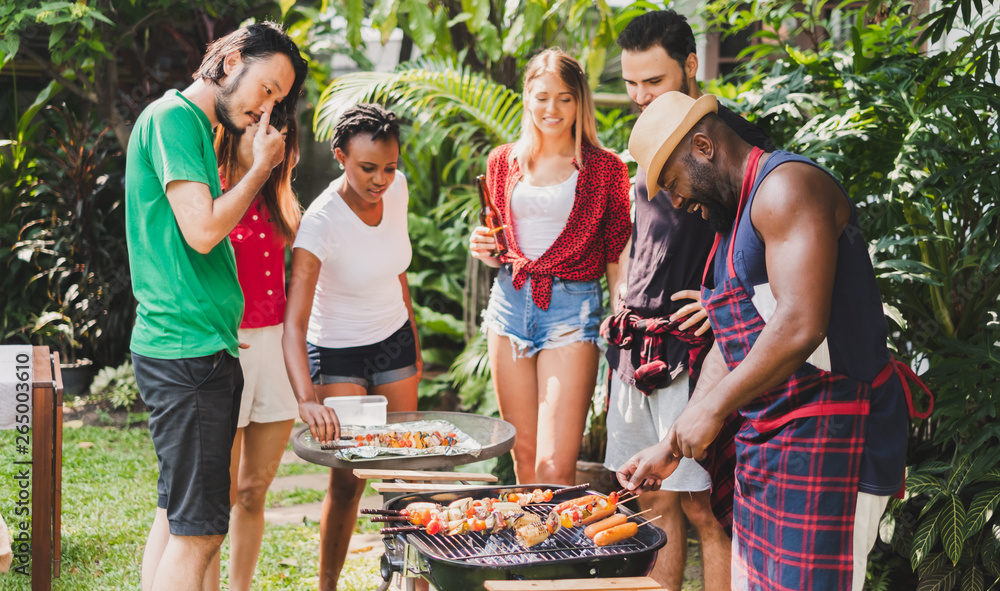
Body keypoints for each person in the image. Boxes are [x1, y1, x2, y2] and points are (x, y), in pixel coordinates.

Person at [618, 91, 925, 591]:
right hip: (772, 441)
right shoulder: (730, 220)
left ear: (703, 146)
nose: (675, 202)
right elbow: (733, 338)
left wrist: (713, 409)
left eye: (673, 184)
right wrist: (671, 442)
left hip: (835, 436)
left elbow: (801, 323)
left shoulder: (787, 188)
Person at [125, 22, 306, 591]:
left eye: (280, 97)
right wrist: (259, 169)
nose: (267, 106)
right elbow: (202, 231)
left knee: (177, 517)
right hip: (189, 354)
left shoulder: (194, 128)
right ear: (230, 62)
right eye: (267, 88)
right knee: (199, 533)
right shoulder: (174, 119)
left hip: (197, 347)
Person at [602, 11, 774, 590]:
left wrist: (722, 300)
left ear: (691, 66)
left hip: (698, 351)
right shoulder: (645, 138)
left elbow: (764, 246)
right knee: (650, 498)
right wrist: (622, 292)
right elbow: (641, 233)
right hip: (634, 341)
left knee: (704, 506)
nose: (640, 96)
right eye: (630, 83)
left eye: (653, 81)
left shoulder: (732, 142)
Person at [469, 48, 631, 485]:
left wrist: (619, 313)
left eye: (564, 97)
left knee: (555, 467)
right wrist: (483, 246)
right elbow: (500, 239)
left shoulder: (606, 169)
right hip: (508, 305)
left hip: (571, 310)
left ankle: (554, 552)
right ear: (527, 97)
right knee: (522, 457)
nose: (552, 109)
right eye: (542, 97)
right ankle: (529, 554)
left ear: (580, 101)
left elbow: (617, 250)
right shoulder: (502, 161)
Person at [282, 103, 421, 591]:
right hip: (338, 349)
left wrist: (414, 343)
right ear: (340, 156)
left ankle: (405, 580)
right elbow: (293, 324)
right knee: (350, 477)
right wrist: (305, 398)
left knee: (404, 470)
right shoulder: (320, 223)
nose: (381, 179)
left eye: (389, 166)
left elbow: (396, 267)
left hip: (393, 339)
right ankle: (327, 586)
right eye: (368, 168)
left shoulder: (397, 189)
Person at [213, 109, 301, 590]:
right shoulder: (213, 187)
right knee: (217, 495)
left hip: (276, 350)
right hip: (228, 345)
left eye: (280, 133)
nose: (273, 140)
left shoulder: (280, 195)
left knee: (252, 492)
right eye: (261, 129)